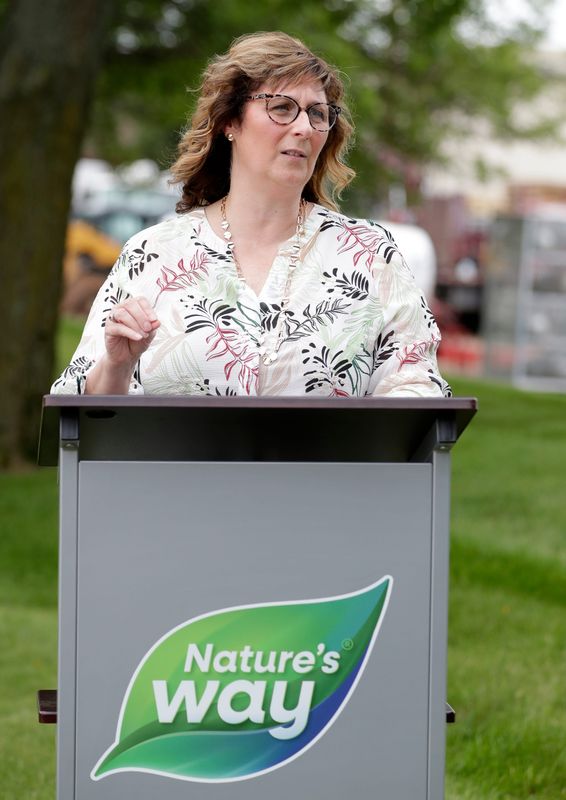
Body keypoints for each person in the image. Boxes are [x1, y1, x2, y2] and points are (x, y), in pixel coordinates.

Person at [52, 31, 451, 399]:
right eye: (282, 107)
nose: (304, 127)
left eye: (317, 113)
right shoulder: (153, 255)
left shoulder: (369, 255)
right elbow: (81, 414)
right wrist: (118, 366)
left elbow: (417, 391)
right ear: (230, 121)